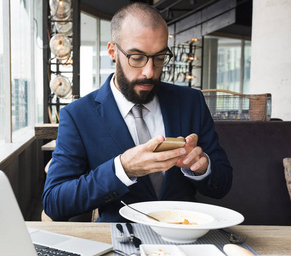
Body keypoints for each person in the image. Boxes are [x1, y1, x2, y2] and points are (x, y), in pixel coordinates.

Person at [42, 2, 232, 222]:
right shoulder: (78, 116)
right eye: (137, 58)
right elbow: (54, 201)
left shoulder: (191, 102)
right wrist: (123, 169)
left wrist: (202, 167)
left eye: (159, 58)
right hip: (118, 241)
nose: (149, 72)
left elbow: (223, 184)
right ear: (113, 52)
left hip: (187, 238)